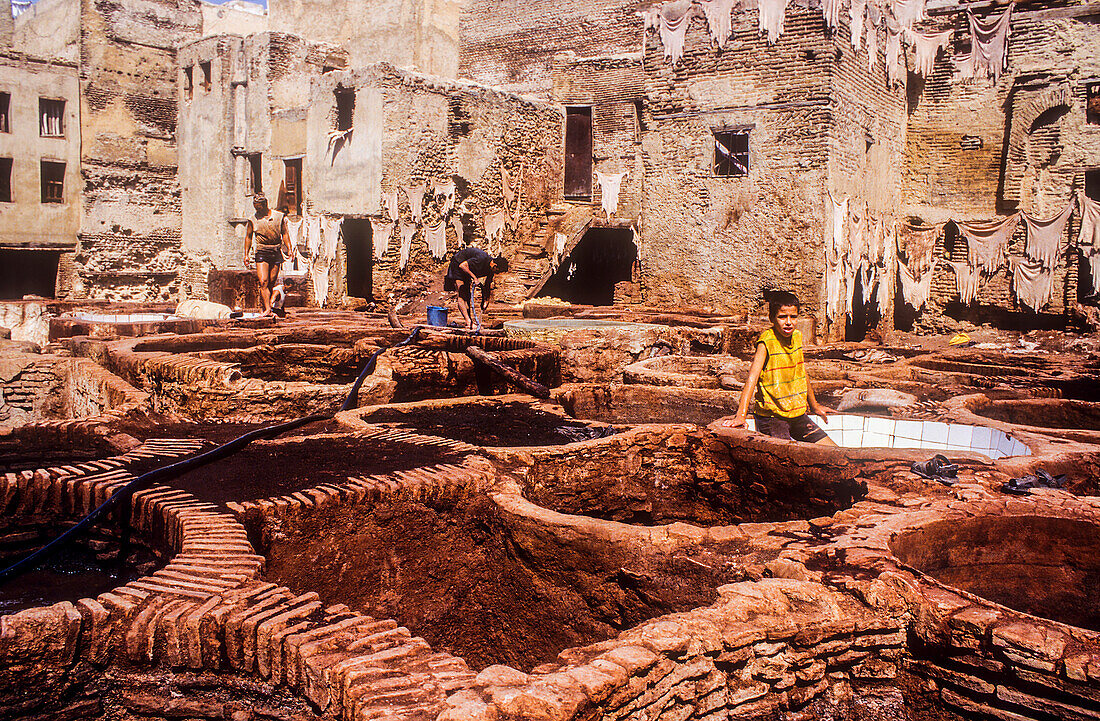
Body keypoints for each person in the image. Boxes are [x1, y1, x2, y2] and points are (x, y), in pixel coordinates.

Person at [720, 291, 836, 445]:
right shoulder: (767, 341)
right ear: (772, 318)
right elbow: (752, 378)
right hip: (772, 417)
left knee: (831, 449)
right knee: (785, 455)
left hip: (796, 414)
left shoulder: (797, 337)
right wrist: (741, 415)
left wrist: (814, 405)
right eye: (782, 317)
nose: (788, 322)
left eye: (793, 317)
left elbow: (801, 372)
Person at [243, 193, 291, 317]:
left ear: (265, 204)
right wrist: (246, 254)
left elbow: (284, 234)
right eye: (255, 207)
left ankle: (263, 306)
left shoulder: (278, 216)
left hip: (275, 251)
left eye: (259, 207)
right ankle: (268, 309)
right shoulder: (252, 219)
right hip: (262, 251)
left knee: (271, 282)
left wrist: (289, 248)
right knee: (263, 281)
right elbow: (248, 237)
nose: (257, 210)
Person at [443, 247, 509, 329]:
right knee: (462, 294)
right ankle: (468, 322)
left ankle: (469, 322)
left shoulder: (490, 270)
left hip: (466, 270)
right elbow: (462, 265)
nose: (497, 273)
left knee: (467, 295)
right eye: (498, 271)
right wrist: (474, 278)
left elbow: (487, 285)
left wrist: (486, 300)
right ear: (494, 266)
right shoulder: (481, 259)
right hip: (457, 265)